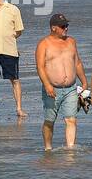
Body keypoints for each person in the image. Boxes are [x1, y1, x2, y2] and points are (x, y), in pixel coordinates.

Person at [35, 13, 87, 151]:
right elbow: (40, 67)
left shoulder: (71, 41)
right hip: (52, 89)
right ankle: (48, 148)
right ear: (53, 28)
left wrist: (84, 82)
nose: (66, 28)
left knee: (71, 119)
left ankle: (70, 150)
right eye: (63, 26)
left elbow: (77, 63)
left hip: (71, 88)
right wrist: (47, 85)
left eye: (67, 26)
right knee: (49, 121)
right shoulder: (44, 44)